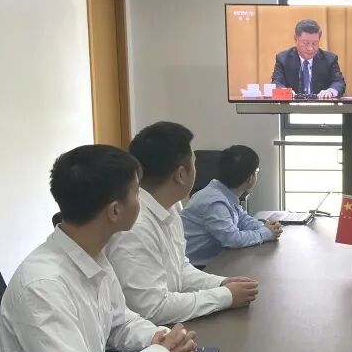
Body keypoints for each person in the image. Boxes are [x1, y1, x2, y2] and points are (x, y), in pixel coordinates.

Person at [0, 145, 197, 352]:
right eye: (137, 193)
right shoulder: (43, 285)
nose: (142, 200)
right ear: (115, 210)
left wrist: (156, 337)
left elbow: (119, 321)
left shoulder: (92, 254)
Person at [107, 122, 260, 325]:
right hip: (148, 334)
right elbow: (153, 309)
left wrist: (221, 283)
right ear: (181, 175)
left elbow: (180, 270)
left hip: (168, 327)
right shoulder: (135, 226)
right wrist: (225, 296)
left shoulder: (169, 208)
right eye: (194, 164)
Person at [183, 145, 282, 267]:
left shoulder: (224, 193)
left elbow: (242, 219)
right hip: (197, 267)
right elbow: (232, 240)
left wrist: (265, 227)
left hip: (216, 259)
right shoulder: (215, 202)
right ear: (250, 178)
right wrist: (265, 233)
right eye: (256, 171)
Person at [271, 19, 346, 99]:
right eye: (305, 43)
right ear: (295, 39)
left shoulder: (330, 59)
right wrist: (285, 92)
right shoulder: (283, 59)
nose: (310, 48)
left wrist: (330, 92)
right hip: (292, 105)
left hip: (321, 105)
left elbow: (339, 82)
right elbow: (276, 82)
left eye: (314, 43)